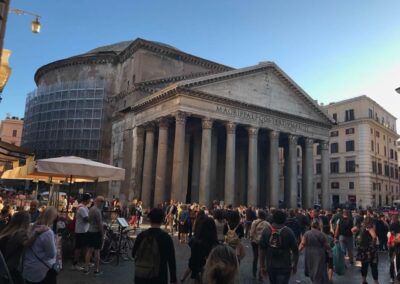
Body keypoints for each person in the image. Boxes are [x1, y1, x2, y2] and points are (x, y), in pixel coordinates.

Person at [132, 208, 177, 284]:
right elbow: (171, 260)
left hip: (141, 276)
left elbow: (133, 254)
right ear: (162, 220)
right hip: (159, 276)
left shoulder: (141, 235)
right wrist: (173, 279)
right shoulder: (166, 238)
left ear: (150, 219)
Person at [259, 210, 299, 284]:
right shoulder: (288, 231)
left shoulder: (266, 230)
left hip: (270, 264)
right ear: (285, 219)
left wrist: (262, 266)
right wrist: (295, 264)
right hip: (285, 265)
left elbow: (262, 250)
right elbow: (295, 250)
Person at [23, 206, 59, 284]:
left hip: (28, 267)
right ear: (53, 218)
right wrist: (56, 244)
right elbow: (51, 254)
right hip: (42, 271)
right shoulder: (48, 232)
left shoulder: (32, 226)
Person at [0, 211, 36, 284]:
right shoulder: (20, 233)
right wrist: (37, 234)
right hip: (10, 268)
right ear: (26, 222)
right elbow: (27, 244)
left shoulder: (7, 230)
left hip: (3, 266)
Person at [185, 217, 219, 283]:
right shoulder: (216, 245)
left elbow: (192, 261)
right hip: (211, 275)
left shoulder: (194, 241)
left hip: (198, 273)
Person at [299, 218, 330, 284]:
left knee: (311, 268)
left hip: (309, 254)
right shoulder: (321, 234)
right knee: (319, 269)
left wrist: (297, 252)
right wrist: (331, 249)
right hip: (319, 254)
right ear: (318, 225)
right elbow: (326, 245)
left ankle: (314, 281)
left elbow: (302, 244)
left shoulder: (307, 233)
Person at [84, 196, 105, 276]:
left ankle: (86, 269)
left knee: (89, 251)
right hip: (96, 233)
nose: (103, 203)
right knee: (97, 251)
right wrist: (102, 234)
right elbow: (100, 224)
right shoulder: (97, 211)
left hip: (90, 231)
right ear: (98, 201)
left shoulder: (91, 209)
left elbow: (88, 220)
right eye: (102, 201)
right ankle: (96, 270)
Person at [356, 216, 379, 284]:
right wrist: (373, 245)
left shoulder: (361, 226)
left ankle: (364, 280)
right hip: (370, 250)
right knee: (373, 265)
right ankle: (376, 282)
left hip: (362, 249)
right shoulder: (369, 227)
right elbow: (374, 236)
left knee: (364, 265)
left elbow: (352, 229)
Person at [72, 193, 91, 270]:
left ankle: (86, 262)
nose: (90, 201)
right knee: (78, 248)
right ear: (87, 200)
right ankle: (75, 264)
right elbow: (86, 219)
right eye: (89, 199)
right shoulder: (82, 208)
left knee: (85, 247)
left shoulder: (83, 207)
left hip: (84, 230)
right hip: (81, 231)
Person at [249, 209, 269, 279]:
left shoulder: (254, 222)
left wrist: (252, 238)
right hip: (263, 242)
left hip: (255, 241)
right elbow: (269, 233)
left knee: (255, 257)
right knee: (262, 258)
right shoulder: (267, 223)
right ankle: (260, 275)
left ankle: (254, 272)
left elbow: (251, 233)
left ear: (258, 215)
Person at [389, 214, 400, 282]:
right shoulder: (392, 225)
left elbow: (391, 235)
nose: (393, 219)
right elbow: (391, 235)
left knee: (393, 262)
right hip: (394, 246)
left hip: (395, 246)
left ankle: (393, 277)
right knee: (393, 262)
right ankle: (393, 277)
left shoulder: (393, 224)